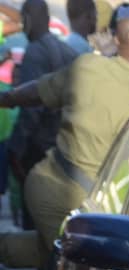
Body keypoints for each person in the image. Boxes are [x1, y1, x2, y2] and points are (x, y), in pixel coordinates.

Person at [0, 5, 129, 265]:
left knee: (50, 253)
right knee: (80, 265)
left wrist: (6, 98)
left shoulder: (88, 66)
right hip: (72, 202)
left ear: (116, 38)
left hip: (48, 186)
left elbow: (38, 91)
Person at [9, 0, 77, 226]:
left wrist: (16, 149)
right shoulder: (67, 50)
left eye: (24, 20)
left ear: (30, 19)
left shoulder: (35, 51)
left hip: (37, 149)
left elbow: (30, 108)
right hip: (61, 147)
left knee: (34, 218)